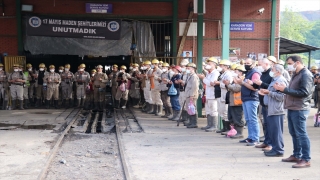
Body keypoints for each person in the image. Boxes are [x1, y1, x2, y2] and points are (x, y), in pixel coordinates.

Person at [274, 55, 313, 168]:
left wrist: (285, 90)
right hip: (292, 107)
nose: (288, 66)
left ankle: (306, 159)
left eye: (290, 63)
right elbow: (295, 90)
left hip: (300, 108)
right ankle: (297, 155)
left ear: (297, 62)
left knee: (301, 134)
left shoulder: (305, 74)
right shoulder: (296, 74)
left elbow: (304, 93)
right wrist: (283, 89)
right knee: (294, 133)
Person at [258, 64, 288, 157]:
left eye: (273, 69)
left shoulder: (280, 80)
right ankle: (275, 148)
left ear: (278, 71)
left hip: (276, 109)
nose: (271, 71)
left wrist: (269, 93)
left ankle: (278, 150)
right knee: (272, 130)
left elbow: (282, 97)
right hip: (271, 108)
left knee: (276, 131)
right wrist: (266, 93)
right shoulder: (275, 80)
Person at [234, 58, 261, 146]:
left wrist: (243, 83)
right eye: (245, 63)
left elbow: (255, 88)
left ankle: (255, 138)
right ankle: (250, 137)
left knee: (253, 119)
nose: (246, 64)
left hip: (252, 98)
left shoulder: (255, 73)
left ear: (253, 64)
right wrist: (240, 82)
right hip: (246, 98)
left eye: (248, 63)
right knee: (248, 119)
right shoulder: (248, 73)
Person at [252, 58, 273, 150]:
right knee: (265, 123)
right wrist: (254, 84)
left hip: (269, 102)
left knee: (269, 124)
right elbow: (259, 85)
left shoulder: (271, 74)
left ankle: (270, 143)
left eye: (260, 64)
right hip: (263, 101)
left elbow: (272, 87)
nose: (258, 66)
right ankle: (266, 141)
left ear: (266, 64)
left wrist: (262, 83)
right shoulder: (263, 74)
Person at [198, 57, 220, 132]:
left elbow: (211, 83)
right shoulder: (208, 73)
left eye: (209, 64)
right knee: (208, 110)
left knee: (213, 110)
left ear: (214, 64)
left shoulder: (216, 73)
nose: (207, 65)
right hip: (207, 94)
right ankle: (209, 124)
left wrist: (203, 78)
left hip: (213, 94)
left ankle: (214, 125)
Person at [226, 65, 246, 139]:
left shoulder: (241, 79)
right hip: (233, 102)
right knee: (232, 117)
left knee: (238, 117)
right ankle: (234, 131)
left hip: (238, 102)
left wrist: (228, 84)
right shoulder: (235, 79)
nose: (234, 72)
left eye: (236, 71)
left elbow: (236, 89)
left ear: (240, 72)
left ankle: (240, 133)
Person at [216, 60, 233, 134]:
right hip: (221, 94)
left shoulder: (228, 74)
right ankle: (224, 127)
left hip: (226, 94)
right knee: (222, 112)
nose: (220, 67)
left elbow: (228, 85)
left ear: (226, 66)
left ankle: (228, 128)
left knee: (225, 112)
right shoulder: (223, 74)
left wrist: (219, 84)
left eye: (221, 66)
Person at [184, 63, 199, 128]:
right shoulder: (189, 75)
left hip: (192, 94)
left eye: (188, 68)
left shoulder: (194, 76)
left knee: (192, 108)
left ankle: (194, 123)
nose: (187, 69)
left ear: (193, 69)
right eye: (187, 68)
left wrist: (192, 95)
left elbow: (194, 86)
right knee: (189, 108)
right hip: (188, 94)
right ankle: (190, 121)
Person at [177, 59, 189, 123]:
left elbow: (188, 82)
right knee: (181, 103)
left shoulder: (188, 74)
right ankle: (183, 117)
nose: (182, 67)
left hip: (185, 90)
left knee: (186, 105)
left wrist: (182, 82)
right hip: (181, 90)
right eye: (181, 66)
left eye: (183, 66)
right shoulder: (182, 73)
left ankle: (187, 118)